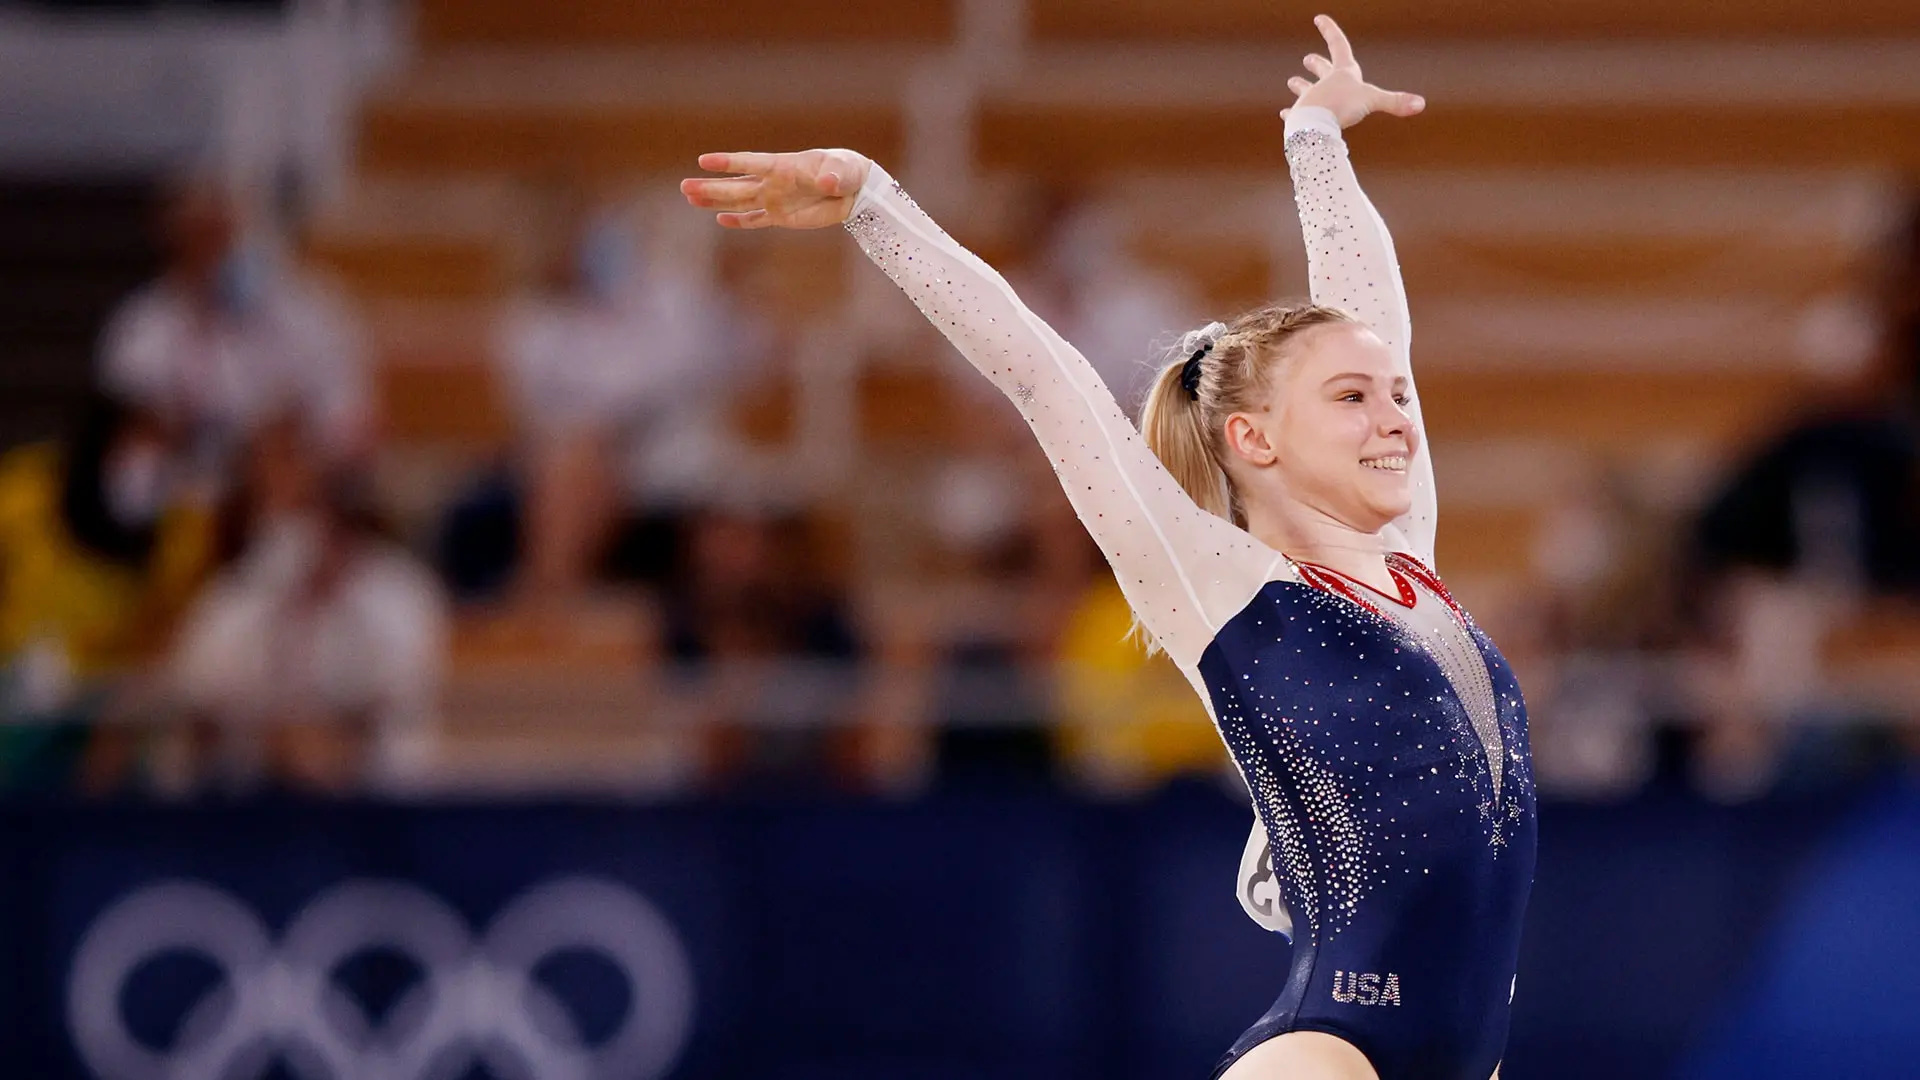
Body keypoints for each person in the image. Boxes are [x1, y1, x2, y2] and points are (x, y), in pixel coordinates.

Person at [683, 15, 1529, 1080]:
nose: (1396, 417)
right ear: (1252, 438)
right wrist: (872, 205)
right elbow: (1049, 381)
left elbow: (1373, 308)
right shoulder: (1225, 588)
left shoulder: (1411, 556)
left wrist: (1316, 133)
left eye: (1398, 398)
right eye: (1352, 400)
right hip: (1336, 1053)